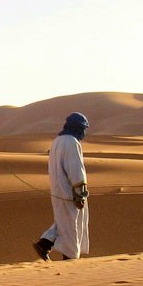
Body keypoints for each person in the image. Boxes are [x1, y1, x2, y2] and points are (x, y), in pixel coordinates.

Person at [33, 112, 90, 262]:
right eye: (83, 128)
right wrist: (79, 193)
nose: (84, 132)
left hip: (58, 189)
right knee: (71, 226)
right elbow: (75, 169)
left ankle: (44, 243)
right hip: (70, 191)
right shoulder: (72, 142)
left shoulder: (57, 141)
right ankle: (70, 260)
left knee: (64, 221)